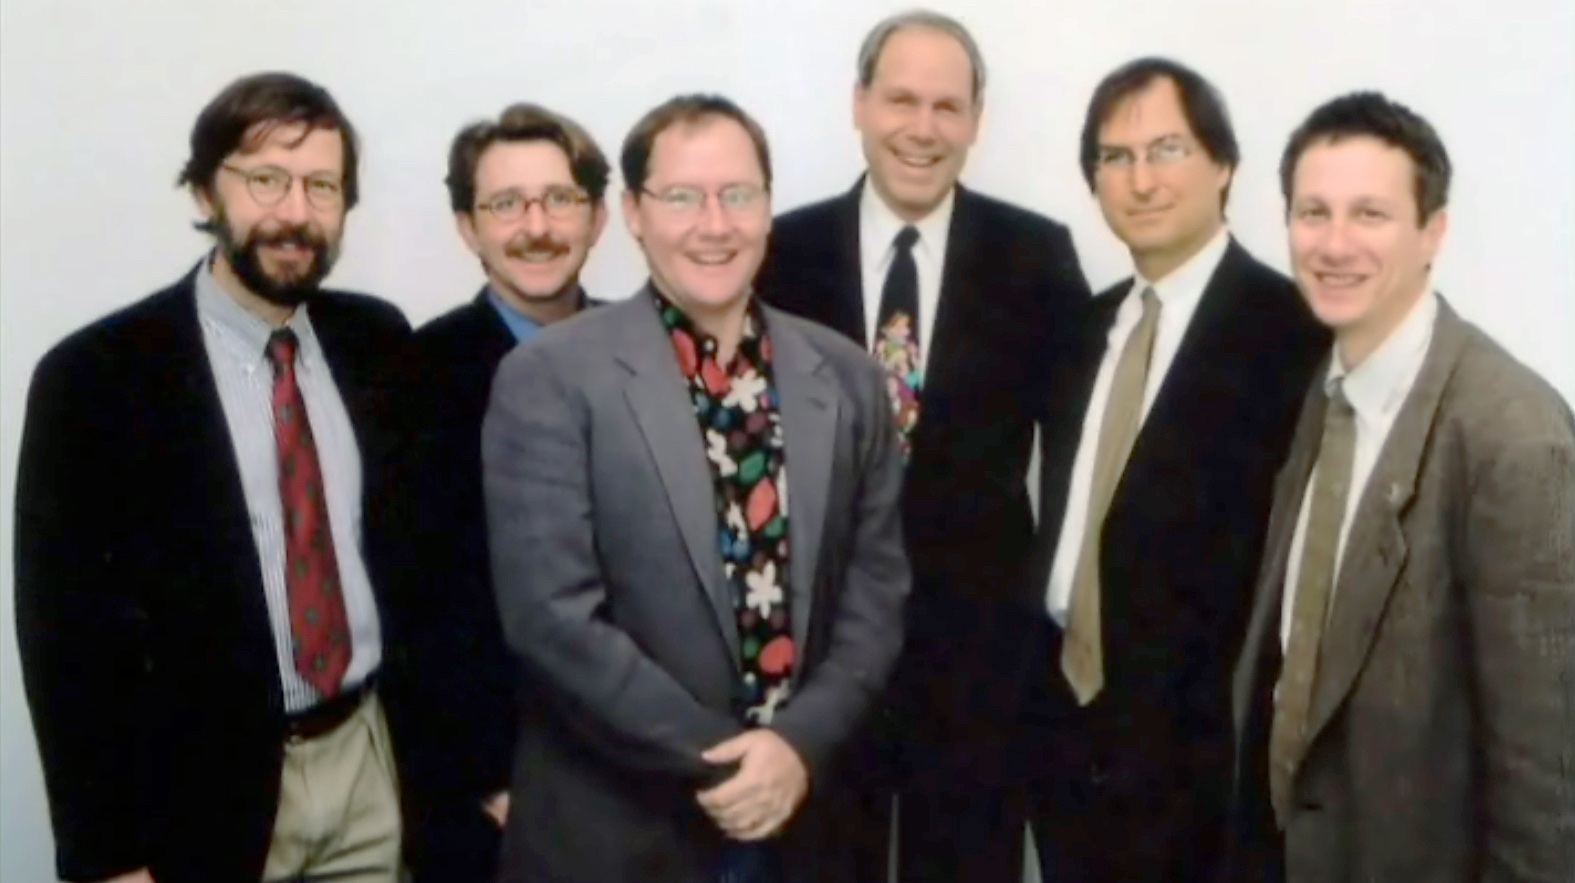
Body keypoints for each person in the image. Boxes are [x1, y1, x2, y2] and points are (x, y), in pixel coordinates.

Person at [482, 93, 910, 883]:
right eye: (682, 197)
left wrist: (794, 748)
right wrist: (731, 762)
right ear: (634, 213)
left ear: (767, 209)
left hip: (804, 823)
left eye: (737, 194)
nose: (714, 224)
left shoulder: (845, 376)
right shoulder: (548, 377)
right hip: (616, 831)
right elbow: (552, 617)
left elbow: (875, 593)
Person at [14, 71, 413, 883]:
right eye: (265, 179)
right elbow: (65, 637)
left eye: (322, 186)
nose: (296, 212)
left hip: (368, 762)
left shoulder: (377, 340)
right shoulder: (97, 377)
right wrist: (106, 855)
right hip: (200, 795)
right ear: (205, 188)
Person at [755, 10, 1089, 879]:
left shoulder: (1036, 256)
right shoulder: (775, 255)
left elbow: (1078, 466)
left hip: (980, 664)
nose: (922, 127)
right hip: (815, 660)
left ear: (976, 120)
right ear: (858, 104)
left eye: (947, 106)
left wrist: (1041, 632)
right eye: (900, 99)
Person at [1228, 90, 1575, 883]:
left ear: (1432, 232)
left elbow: (1543, 781)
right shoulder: (1325, 390)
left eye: (1370, 214)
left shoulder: (1512, 434)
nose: (1334, 243)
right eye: (1312, 212)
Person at [1022, 57, 1327, 883]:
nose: (1140, 180)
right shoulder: (1084, 330)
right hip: (1064, 738)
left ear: (1223, 163)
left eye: (1166, 149)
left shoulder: (1293, 334)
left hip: (1202, 766)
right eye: (1114, 158)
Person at [404, 101, 610, 883]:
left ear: (596, 218)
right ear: (467, 226)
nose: (536, 227)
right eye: (504, 204)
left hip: (646, 779)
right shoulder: (416, 376)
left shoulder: (656, 348)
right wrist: (491, 778)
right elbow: (417, 600)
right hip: (499, 794)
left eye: (560, 199)